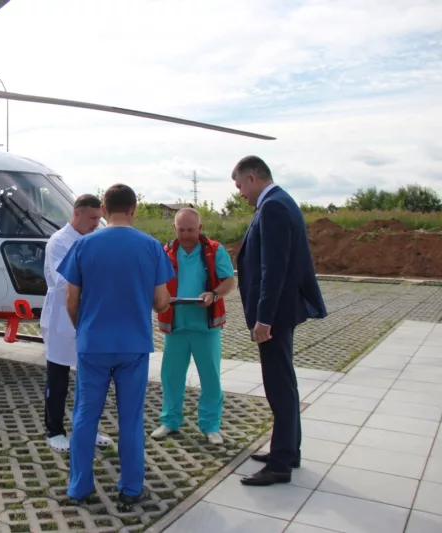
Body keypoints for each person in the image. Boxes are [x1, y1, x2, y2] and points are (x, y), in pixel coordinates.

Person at [57, 183, 174, 506]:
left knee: (85, 416)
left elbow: (71, 300)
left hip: (93, 343)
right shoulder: (152, 247)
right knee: (131, 419)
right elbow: (161, 301)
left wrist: (83, 328)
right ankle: (131, 489)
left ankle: (80, 488)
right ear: (134, 209)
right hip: (133, 344)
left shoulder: (83, 245)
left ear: (105, 210)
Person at [232, 155, 327, 486]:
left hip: (276, 315)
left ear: (253, 177)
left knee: (278, 385)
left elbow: (273, 269)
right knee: (283, 382)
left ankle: (280, 464)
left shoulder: (273, 207)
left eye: (240, 185)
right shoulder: (279, 202)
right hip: (282, 312)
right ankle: (287, 450)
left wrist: (264, 318)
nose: (241, 193)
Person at [151, 207, 236, 445]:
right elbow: (156, 281)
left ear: (200, 228)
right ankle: (170, 421)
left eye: (190, 230)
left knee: (210, 377)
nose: (186, 235)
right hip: (176, 325)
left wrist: (213, 294)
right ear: (174, 228)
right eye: (181, 230)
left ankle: (211, 425)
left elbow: (229, 281)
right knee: (171, 376)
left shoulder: (214, 250)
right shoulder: (166, 251)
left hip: (205, 327)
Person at [40, 193, 112, 454]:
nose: (96, 223)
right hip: (61, 315)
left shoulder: (93, 239)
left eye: (99, 218)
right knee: (58, 378)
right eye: (92, 218)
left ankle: (87, 428)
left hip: (88, 314)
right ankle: (55, 431)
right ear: (77, 213)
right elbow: (63, 280)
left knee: (90, 379)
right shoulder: (58, 241)